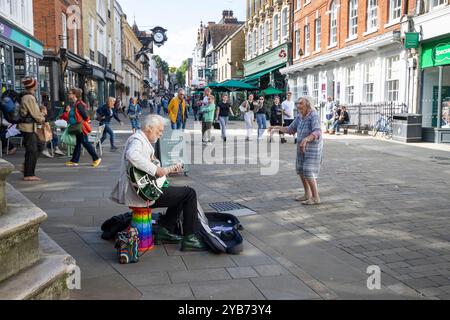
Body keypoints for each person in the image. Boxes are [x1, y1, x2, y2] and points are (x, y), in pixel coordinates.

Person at [110, 115, 207, 252]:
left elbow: (147, 171)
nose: (161, 134)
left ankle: (165, 231)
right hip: (141, 194)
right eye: (159, 131)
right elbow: (132, 155)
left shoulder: (143, 140)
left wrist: (166, 170)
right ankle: (190, 238)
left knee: (182, 193)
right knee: (189, 194)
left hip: (143, 190)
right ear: (149, 128)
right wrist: (156, 169)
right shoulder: (137, 140)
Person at [269, 96, 323, 205]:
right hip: (301, 146)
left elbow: (317, 132)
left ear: (308, 105)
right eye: (298, 107)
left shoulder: (313, 115)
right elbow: (290, 129)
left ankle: (316, 197)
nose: (299, 109)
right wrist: (276, 127)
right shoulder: (299, 116)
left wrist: (307, 139)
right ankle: (307, 194)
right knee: (300, 169)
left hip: (312, 147)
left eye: (301, 107)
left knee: (308, 170)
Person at [17, 77, 46, 181]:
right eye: (35, 83)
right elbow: (35, 114)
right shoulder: (29, 97)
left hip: (30, 127)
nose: (37, 84)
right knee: (32, 149)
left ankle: (26, 166)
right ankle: (28, 174)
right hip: (27, 127)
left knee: (39, 145)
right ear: (33, 85)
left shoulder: (28, 96)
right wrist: (43, 117)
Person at [65, 88, 102, 168]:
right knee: (78, 143)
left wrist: (80, 122)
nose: (68, 95)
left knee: (85, 142)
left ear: (74, 95)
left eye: (70, 93)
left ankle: (96, 158)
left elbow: (85, 116)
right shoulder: (75, 104)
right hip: (78, 127)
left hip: (80, 127)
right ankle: (74, 160)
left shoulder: (78, 104)